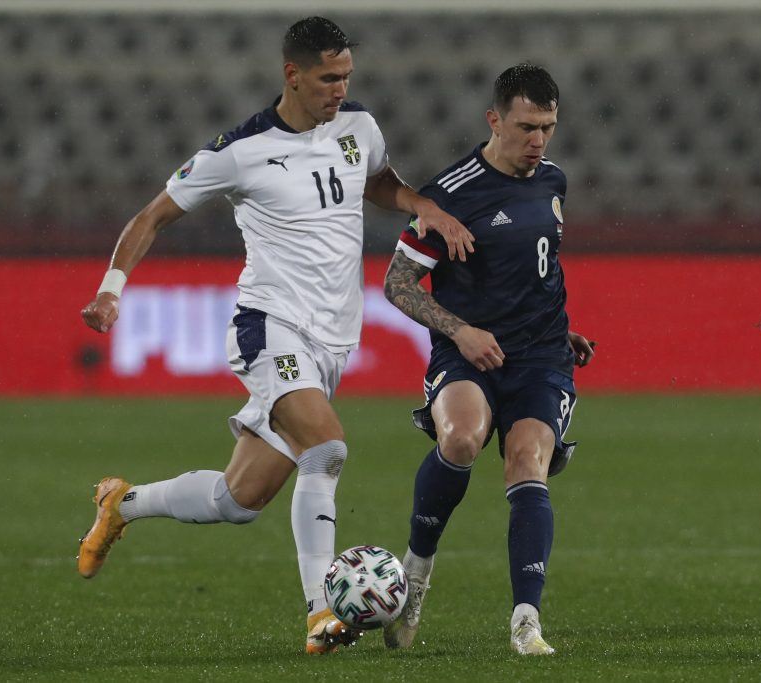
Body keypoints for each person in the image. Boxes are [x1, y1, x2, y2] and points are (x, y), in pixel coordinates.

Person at [76, 16, 474, 655]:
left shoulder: (359, 128)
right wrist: (110, 289)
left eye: (346, 76)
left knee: (239, 499)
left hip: (332, 341)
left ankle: (122, 502)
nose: (340, 89)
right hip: (270, 325)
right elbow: (152, 215)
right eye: (327, 79)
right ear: (292, 74)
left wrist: (417, 203)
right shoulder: (239, 151)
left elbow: (374, 181)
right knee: (328, 448)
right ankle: (323, 613)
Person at [380, 64, 595, 656]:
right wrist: (462, 331)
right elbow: (397, 285)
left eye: (548, 127)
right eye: (527, 126)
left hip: (542, 355)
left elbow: (534, 271)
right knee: (462, 439)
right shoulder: (448, 195)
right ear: (494, 120)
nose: (538, 141)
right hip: (467, 351)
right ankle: (416, 576)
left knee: (527, 459)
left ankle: (526, 619)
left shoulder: (553, 181)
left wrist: (564, 329)